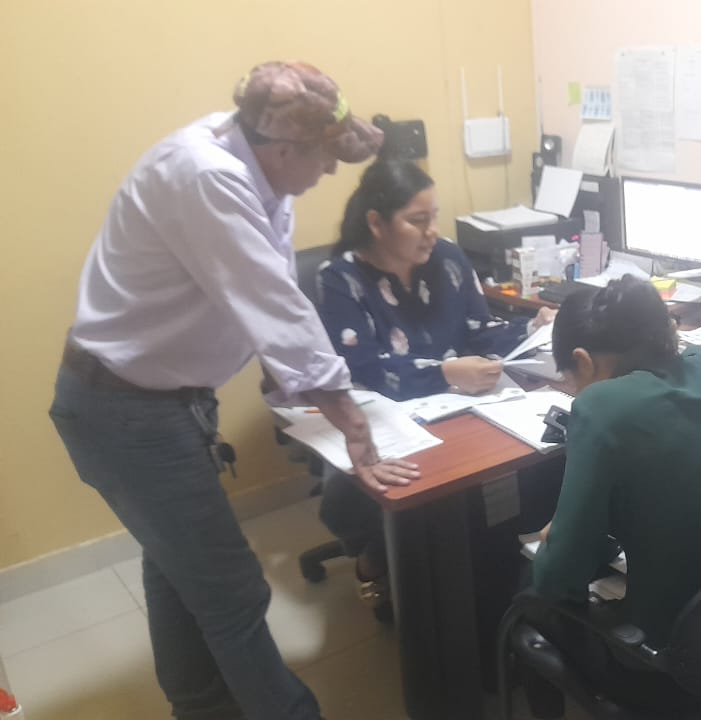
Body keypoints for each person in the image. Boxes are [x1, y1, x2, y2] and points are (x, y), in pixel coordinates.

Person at [48, 62, 417, 720]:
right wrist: (352, 424)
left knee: (177, 569)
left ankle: (198, 706)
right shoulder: (205, 175)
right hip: (123, 410)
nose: (329, 172)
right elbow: (273, 302)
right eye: (324, 159)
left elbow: (258, 295)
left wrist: (291, 381)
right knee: (232, 590)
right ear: (286, 148)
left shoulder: (258, 164)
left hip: (164, 403)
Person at [313, 157, 555, 602]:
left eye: (434, 217)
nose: (431, 231)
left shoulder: (447, 258)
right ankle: (378, 559)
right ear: (376, 223)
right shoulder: (341, 278)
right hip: (379, 419)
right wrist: (446, 371)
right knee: (402, 495)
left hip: (460, 406)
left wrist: (530, 329)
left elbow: (481, 330)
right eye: (417, 220)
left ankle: (476, 579)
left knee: (517, 467)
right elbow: (362, 367)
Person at [522, 276, 701, 714]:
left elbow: (558, 579)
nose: (574, 393)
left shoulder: (600, 408)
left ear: (582, 361)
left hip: (665, 664)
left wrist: (560, 538)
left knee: (527, 595)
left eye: (570, 381)